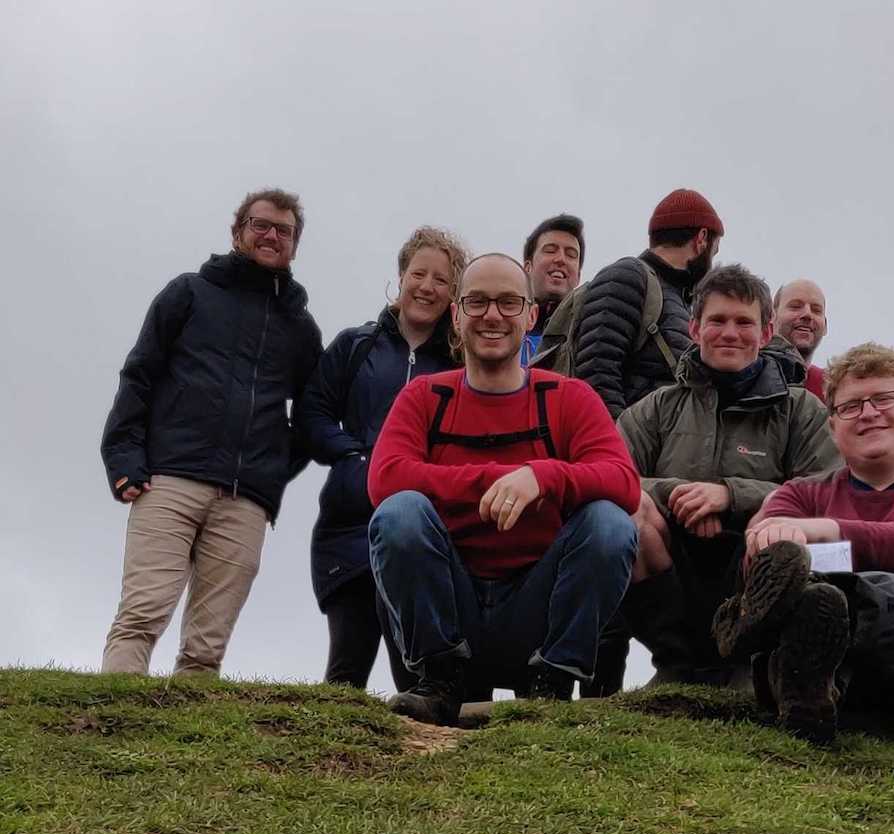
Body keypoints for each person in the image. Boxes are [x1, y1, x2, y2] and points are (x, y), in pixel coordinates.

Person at [366, 253, 639, 725]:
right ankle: (439, 676)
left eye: (509, 303)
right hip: (453, 607)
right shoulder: (424, 397)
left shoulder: (569, 397)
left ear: (531, 315)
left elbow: (623, 481)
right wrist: (492, 480)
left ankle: (552, 681)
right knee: (399, 514)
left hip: (536, 608)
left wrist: (544, 475)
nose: (492, 315)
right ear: (456, 314)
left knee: (610, 523)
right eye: (477, 302)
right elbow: (386, 478)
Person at [714, 343, 894, 744]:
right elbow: (764, 568)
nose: (868, 413)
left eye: (885, 398)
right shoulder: (796, 495)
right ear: (832, 427)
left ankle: (827, 609)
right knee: (789, 575)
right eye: (850, 406)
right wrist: (776, 550)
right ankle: (808, 690)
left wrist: (823, 535)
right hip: (833, 678)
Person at [100, 187, 322, 676]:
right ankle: (109, 731)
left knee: (207, 647)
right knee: (140, 616)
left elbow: (313, 415)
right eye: (260, 225)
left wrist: (272, 473)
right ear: (238, 231)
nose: (271, 236)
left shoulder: (301, 328)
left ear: (295, 244)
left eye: (284, 231)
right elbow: (139, 375)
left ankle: (187, 749)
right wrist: (123, 461)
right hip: (169, 480)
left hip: (246, 502)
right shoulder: (188, 293)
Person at [615, 264, 839, 690]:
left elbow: (826, 495)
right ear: (695, 329)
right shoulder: (656, 408)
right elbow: (610, 474)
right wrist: (678, 495)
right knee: (624, 509)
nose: (730, 333)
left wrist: (731, 497)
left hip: (751, 563)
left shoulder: (802, 410)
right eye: (717, 320)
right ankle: (675, 666)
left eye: (743, 322)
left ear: (767, 331)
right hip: (674, 560)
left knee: (789, 530)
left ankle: (751, 665)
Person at [297, 227, 467, 690]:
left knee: (416, 677)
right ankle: (328, 758)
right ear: (401, 276)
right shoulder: (357, 346)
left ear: (454, 294)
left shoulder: (459, 364)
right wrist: (354, 455)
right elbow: (312, 412)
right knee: (345, 672)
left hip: (418, 536)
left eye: (442, 280)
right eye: (419, 274)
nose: (427, 287)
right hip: (347, 530)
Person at [563, 188, 723, 417]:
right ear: (702, 239)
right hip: (624, 446)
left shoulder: (677, 297)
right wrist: (619, 446)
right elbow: (597, 372)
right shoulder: (627, 277)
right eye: (714, 251)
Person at [521, 213, 584, 358]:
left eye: (571, 255)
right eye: (550, 250)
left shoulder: (587, 336)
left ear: (578, 276)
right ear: (527, 268)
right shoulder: (501, 328)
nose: (561, 259)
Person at [772, 279, 828, 398]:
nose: (807, 314)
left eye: (816, 310)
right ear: (772, 318)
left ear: (825, 327)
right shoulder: (746, 375)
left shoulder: (833, 388)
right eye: (795, 307)